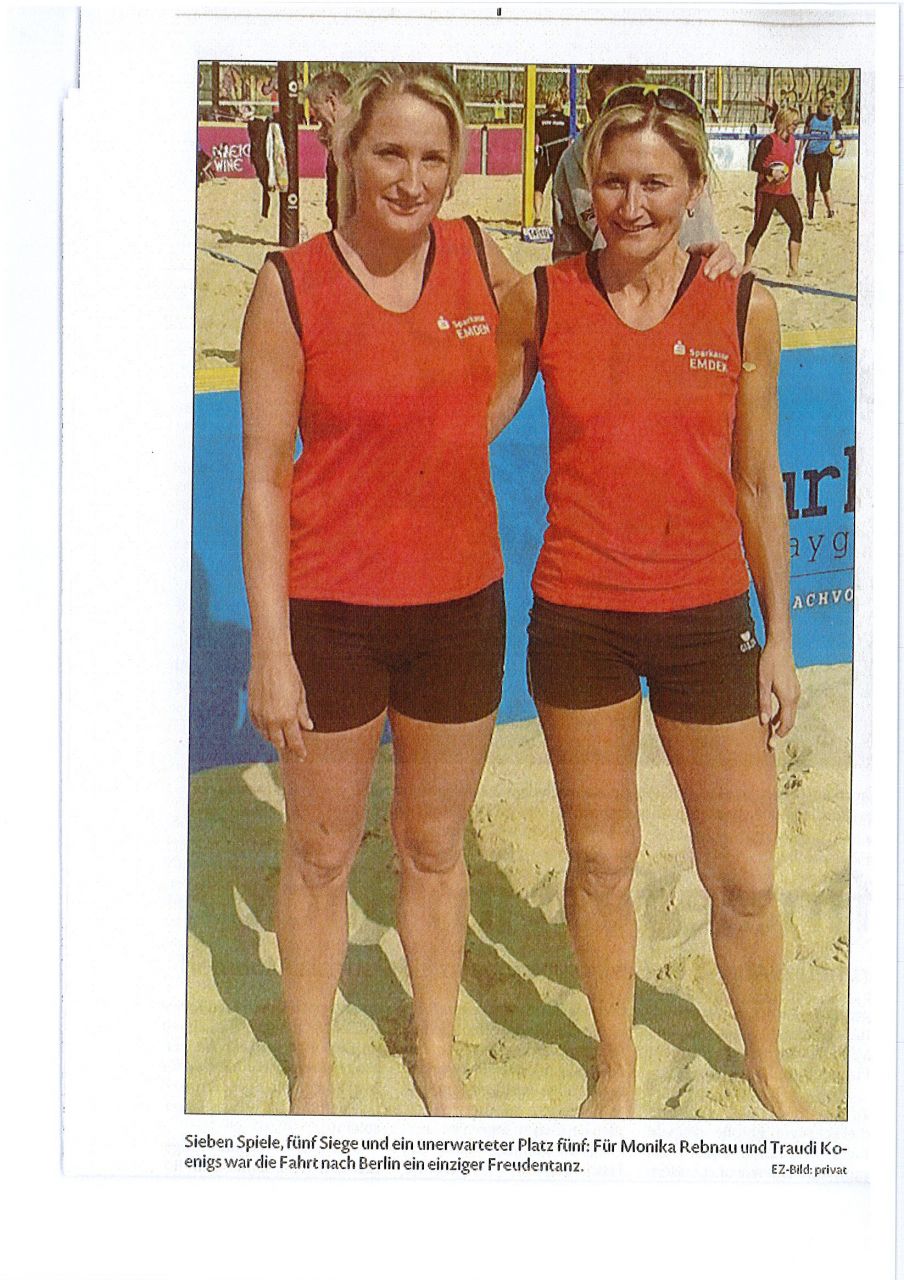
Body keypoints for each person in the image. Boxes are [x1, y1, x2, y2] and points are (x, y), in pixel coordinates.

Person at [492, 83, 813, 1121]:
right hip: (578, 617)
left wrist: (780, 639)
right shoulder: (542, 299)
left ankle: (763, 1059)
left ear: (693, 187)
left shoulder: (742, 305)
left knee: (744, 876)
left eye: (655, 183)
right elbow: (456, 416)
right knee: (599, 860)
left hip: (706, 618)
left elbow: (758, 482)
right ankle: (618, 1061)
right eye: (613, 181)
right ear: (586, 184)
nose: (631, 204)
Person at [240, 63, 519, 1118]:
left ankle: (432, 1047)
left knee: (433, 846)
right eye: (390, 152)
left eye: (432, 157)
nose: (411, 178)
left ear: (456, 166)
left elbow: (561, 325)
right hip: (334, 613)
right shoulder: (292, 282)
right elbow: (264, 477)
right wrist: (272, 650)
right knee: (320, 851)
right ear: (348, 153)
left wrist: (460, 433)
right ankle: (314, 1064)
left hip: (460, 606)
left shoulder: (479, 253)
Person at [551, 67, 728, 273]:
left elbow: (707, 250)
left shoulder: (675, 167)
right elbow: (567, 255)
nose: (631, 210)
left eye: (652, 184)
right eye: (614, 182)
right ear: (591, 109)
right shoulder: (571, 165)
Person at [743, 107, 804, 276]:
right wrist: (771, 172)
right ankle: (747, 264)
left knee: (797, 225)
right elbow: (755, 165)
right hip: (767, 192)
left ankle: (793, 269)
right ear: (785, 122)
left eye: (797, 123)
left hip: (785, 192)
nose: (796, 126)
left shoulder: (792, 141)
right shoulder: (769, 141)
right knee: (760, 228)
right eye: (794, 123)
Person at [305, 70, 351, 228]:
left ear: (332, 102)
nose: (315, 117)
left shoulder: (363, 137)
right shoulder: (338, 137)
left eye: (317, 110)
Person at [797, 96, 844, 219]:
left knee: (825, 184)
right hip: (810, 155)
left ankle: (831, 211)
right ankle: (810, 213)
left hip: (825, 155)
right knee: (810, 186)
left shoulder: (834, 120)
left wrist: (842, 148)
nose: (829, 109)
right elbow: (805, 136)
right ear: (820, 106)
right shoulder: (811, 118)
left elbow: (841, 137)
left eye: (832, 107)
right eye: (827, 106)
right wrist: (799, 152)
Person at [533, 90, 570, 223]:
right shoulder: (566, 120)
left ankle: (538, 214)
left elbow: (532, 136)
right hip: (560, 158)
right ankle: (557, 217)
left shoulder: (540, 119)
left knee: (538, 187)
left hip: (545, 157)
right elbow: (575, 135)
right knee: (557, 190)